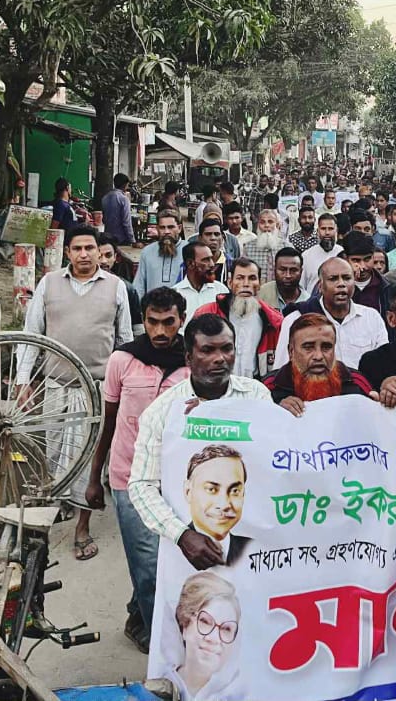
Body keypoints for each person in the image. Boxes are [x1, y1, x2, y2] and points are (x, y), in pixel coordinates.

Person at [85, 285, 188, 652]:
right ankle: (164, 645)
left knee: (171, 561)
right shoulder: (122, 360)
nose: (160, 331)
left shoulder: (193, 364)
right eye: (153, 322)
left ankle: (137, 616)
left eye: (168, 322)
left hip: (177, 481)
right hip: (128, 477)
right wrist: (94, 479)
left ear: (182, 321)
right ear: (143, 320)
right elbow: (108, 422)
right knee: (146, 563)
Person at [129, 314, 273, 570]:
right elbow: (142, 485)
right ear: (188, 358)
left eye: (227, 348)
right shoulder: (163, 412)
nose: (220, 358)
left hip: (256, 546)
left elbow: (273, 462)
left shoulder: (256, 396)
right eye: (207, 350)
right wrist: (181, 535)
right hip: (185, 556)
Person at [25, 224, 132, 561]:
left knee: (90, 458)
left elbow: (124, 341)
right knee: (55, 453)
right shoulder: (49, 283)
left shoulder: (115, 287)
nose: (84, 254)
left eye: (90, 248)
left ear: (100, 252)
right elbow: (32, 334)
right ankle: (61, 504)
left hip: (96, 388)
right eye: (77, 249)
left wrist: (125, 388)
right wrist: (23, 382)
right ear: (67, 252)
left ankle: (82, 527)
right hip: (55, 386)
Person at [275, 257, 388, 370]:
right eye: (333, 279)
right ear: (320, 286)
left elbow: (384, 366)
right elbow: (281, 370)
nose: (341, 284)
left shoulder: (371, 317)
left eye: (347, 278)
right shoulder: (296, 319)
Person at [266, 314, 374, 413]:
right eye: (308, 348)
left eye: (326, 347)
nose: (318, 356)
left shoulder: (356, 383)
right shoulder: (267, 389)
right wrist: (276, 410)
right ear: (291, 352)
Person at [195, 259, 283, 379]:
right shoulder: (207, 313)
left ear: (260, 284)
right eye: (240, 278)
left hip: (256, 384)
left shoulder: (273, 321)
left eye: (252, 278)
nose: (246, 284)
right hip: (215, 382)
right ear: (230, 282)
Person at [170, 571, 242, 701]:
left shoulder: (238, 695)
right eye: (205, 622)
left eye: (226, 629)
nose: (214, 638)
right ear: (185, 625)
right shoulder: (159, 684)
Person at [339, 231, 390, 320]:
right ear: (346, 259)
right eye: (356, 260)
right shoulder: (334, 286)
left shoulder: (386, 287)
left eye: (367, 259)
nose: (362, 267)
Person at [99, 233, 143, 336]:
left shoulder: (127, 288)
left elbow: (137, 327)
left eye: (108, 255)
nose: (103, 261)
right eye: (99, 256)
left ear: (115, 257)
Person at [133, 209, 185, 295]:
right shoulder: (147, 252)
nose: (166, 232)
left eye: (171, 227)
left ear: (179, 228)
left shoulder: (189, 250)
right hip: (152, 303)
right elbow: (139, 286)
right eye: (162, 228)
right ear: (157, 229)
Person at [176, 243, 230, 318]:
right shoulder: (176, 293)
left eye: (211, 259)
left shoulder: (221, 290)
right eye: (206, 260)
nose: (212, 264)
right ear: (190, 263)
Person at [300, 213, 342, 294]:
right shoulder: (306, 256)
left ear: (336, 230)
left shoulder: (343, 254)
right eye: (323, 229)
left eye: (330, 229)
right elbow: (301, 287)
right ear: (317, 231)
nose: (327, 232)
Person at [242, 208, 285, 281]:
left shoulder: (285, 246)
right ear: (258, 225)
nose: (266, 225)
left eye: (270, 222)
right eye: (262, 222)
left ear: (277, 225)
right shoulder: (248, 247)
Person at [258, 247, 304, 313]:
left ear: (301, 271)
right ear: (274, 270)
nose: (288, 275)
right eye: (283, 270)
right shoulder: (261, 294)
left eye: (293, 270)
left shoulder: (308, 302)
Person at [102, 172, 135, 245]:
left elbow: (104, 219)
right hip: (121, 239)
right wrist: (132, 240)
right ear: (125, 185)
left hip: (108, 237)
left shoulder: (105, 197)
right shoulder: (124, 199)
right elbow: (126, 222)